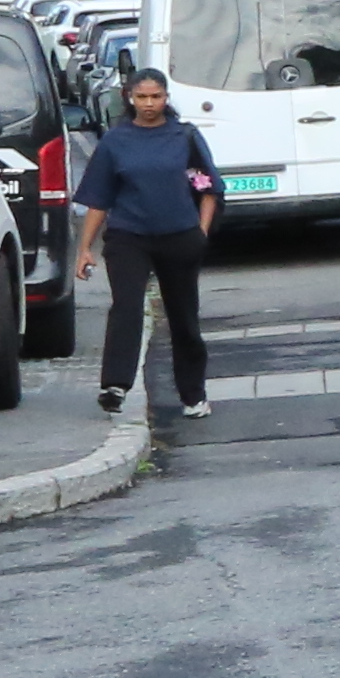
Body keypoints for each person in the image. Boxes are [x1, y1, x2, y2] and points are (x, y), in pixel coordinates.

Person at [70, 64, 223, 423]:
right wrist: (85, 248)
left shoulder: (184, 137)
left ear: (166, 98)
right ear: (129, 98)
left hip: (179, 236)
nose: (149, 103)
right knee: (126, 306)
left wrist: (200, 232)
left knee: (183, 317)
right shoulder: (115, 142)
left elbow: (208, 189)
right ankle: (115, 385)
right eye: (142, 97)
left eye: (156, 96)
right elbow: (99, 199)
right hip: (128, 236)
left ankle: (193, 394)